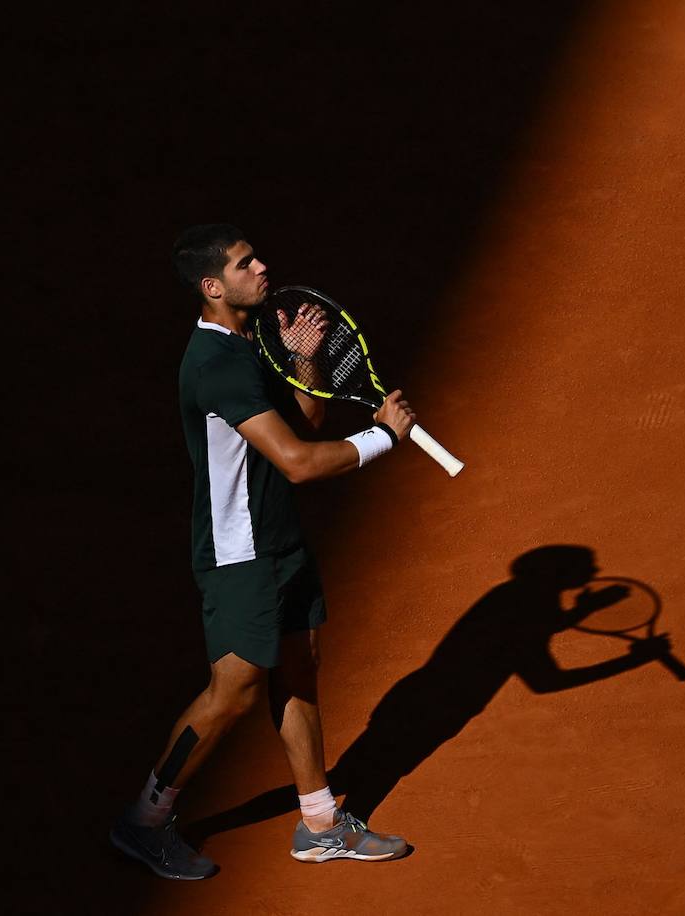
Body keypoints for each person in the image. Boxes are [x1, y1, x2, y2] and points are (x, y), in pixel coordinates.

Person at [109, 224, 417, 879]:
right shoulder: (217, 364)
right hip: (239, 554)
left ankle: (320, 823)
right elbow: (302, 464)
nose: (262, 266)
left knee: (299, 670)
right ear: (213, 287)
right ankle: (145, 818)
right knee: (234, 692)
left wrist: (305, 360)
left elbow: (301, 425)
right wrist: (384, 439)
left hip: (279, 542)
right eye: (246, 263)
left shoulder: (249, 347)